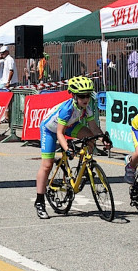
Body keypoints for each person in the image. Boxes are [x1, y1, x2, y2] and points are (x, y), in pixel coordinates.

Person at [34, 76, 112, 219]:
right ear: (74, 95)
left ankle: (83, 169)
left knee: (89, 138)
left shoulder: (86, 108)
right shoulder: (67, 109)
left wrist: (103, 138)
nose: (85, 99)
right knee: (47, 165)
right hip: (51, 129)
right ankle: (40, 201)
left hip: (70, 125)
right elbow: (59, 133)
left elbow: (94, 128)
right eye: (82, 96)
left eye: (88, 95)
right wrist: (67, 148)